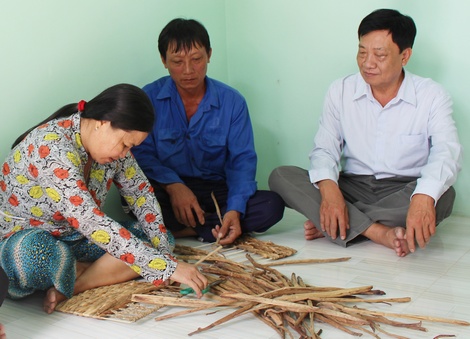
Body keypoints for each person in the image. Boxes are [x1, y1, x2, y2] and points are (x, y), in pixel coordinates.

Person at [0, 83, 208, 315]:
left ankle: (75, 283)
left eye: (131, 148)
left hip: (76, 239)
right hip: (24, 238)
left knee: (162, 240)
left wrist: (166, 259)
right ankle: (93, 270)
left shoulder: (116, 153)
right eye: (125, 144)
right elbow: (89, 220)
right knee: (33, 254)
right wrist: (166, 267)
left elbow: (141, 196)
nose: (124, 154)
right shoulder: (50, 146)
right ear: (102, 123)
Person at [269, 9, 462, 257]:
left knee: (443, 196)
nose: (367, 63)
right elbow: (324, 148)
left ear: (405, 56)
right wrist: (329, 192)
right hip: (351, 185)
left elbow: (447, 152)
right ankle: (377, 231)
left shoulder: (432, 95)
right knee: (280, 176)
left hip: (403, 189)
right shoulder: (340, 90)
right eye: (362, 52)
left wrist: (423, 198)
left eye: (379, 55)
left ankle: (338, 224)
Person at [128, 18, 284, 245]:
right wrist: (174, 186)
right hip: (169, 187)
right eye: (178, 62)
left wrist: (234, 210)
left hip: (216, 192)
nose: (188, 70)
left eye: (197, 59)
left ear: (209, 54)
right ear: (164, 60)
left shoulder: (232, 101)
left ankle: (189, 229)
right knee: (133, 199)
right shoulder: (149, 98)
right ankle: (210, 227)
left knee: (272, 205)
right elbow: (141, 154)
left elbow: (242, 161)